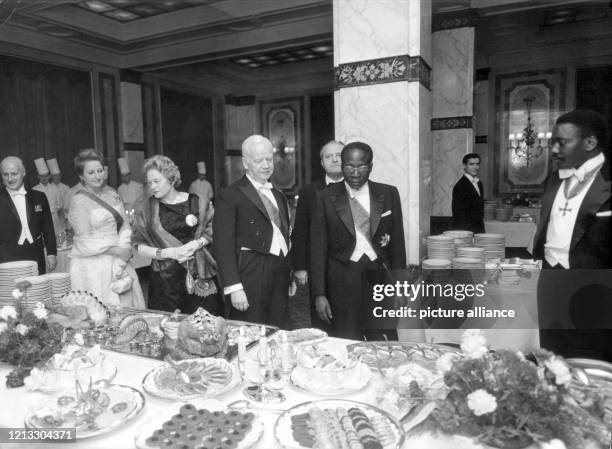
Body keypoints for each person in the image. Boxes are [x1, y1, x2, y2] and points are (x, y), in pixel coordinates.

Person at [533, 109, 611, 360]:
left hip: (593, 289)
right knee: (551, 355)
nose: (554, 149)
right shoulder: (555, 177)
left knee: (588, 359)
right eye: (552, 142)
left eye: (562, 142)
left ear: (590, 142)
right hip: (551, 280)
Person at [310, 141, 406, 339]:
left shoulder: (388, 194)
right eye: (349, 166)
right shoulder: (324, 197)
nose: (355, 173)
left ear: (371, 166)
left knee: (382, 341)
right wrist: (319, 294)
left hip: (380, 278)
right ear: (342, 165)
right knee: (347, 340)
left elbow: (397, 245)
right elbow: (318, 249)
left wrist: (400, 286)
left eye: (361, 166)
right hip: (342, 280)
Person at [213, 135, 291, 328]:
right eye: (258, 161)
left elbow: (284, 235)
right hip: (250, 274)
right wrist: (234, 287)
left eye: (269, 159)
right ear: (245, 163)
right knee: (249, 332)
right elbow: (223, 245)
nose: (266, 165)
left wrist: (289, 274)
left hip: (279, 273)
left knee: (278, 328)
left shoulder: (278, 195)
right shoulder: (230, 195)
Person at [133, 155, 221, 315]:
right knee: (170, 330)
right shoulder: (147, 208)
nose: (152, 186)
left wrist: (195, 244)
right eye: (149, 182)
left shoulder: (198, 203)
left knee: (205, 329)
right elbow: (138, 244)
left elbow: (215, 229)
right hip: (165, 283)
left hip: (199, 276)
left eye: (157, 181)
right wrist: (168, 253)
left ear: (171, 179)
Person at [68, 149, 145, 308]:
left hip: (119, 259)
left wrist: (124, 247)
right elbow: (84, 240)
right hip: (93, 263)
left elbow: (124, 224)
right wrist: (117, 250)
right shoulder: (79, 200)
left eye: (100, 171)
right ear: (82, 176)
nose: (97, 176)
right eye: (91, 172)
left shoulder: (113, 194)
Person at [291, 140, 344, 329]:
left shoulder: (358, 189)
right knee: (322, 319)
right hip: (319, 266)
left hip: (350, 267)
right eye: (328, 156)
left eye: (339, 155)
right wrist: (300, 267)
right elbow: (300, 231)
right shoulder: (309, 192)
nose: (334, 159)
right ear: (322, 162)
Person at [0, 156, 57, 274]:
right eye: (5, 175)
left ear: (23, 173)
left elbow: (48, 228)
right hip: (6, 258)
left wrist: (51, 253)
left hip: (36, 255)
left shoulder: (39, 197)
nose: (10, 179)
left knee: (37, 290)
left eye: (14, 174)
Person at [451, 153, 485, 233]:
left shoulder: (479, 183)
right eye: (471, 164)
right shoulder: (460, 186)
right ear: (464, 166)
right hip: (466, 232)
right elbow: (458, 215)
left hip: (478, 230)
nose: (475, 167)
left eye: (477, 164)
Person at [32, 158, 64, 237]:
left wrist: (61, 219)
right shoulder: (35, 189)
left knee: (57, 237)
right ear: (38, 177)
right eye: (42, 176)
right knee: (45, 237)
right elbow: (34, 207)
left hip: (54, 217)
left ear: (49, 176)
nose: (44, 178)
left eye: (46, 176)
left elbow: (60, 205)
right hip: (41, 218)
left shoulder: (55, 188)